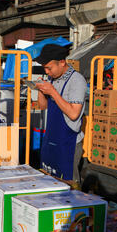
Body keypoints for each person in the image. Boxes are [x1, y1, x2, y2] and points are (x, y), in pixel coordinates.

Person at [33, 44, 87, 184]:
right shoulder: (52, 79)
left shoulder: (76, 80)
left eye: (49, 68)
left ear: (62, 62)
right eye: (44, 68)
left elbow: (74, 114)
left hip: (68, 143)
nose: (47, 71)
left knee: (69, 184)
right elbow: (43, 106)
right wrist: (40, 89)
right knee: (49, 181)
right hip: (51, 138)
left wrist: (52, 92)